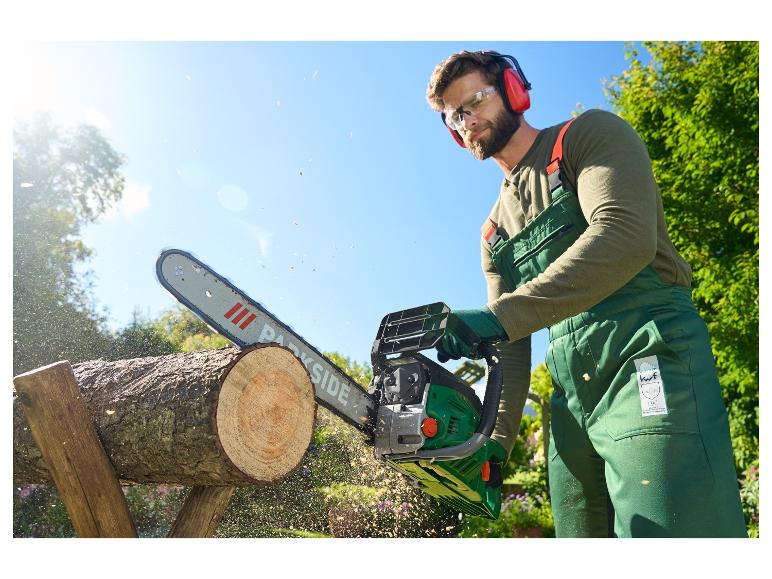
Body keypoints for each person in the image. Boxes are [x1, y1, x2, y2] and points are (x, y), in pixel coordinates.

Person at [423, 49, 747, 538]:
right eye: (456, 114)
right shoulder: (493, 232)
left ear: (513, 90)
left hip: (645, 353)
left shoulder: (586, 137)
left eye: (476, 100)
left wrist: (497, 316)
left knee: (669, 529)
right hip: (572, 397)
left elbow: (624, 234)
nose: (468, 119)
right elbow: (510, 343)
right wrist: (492, 445)